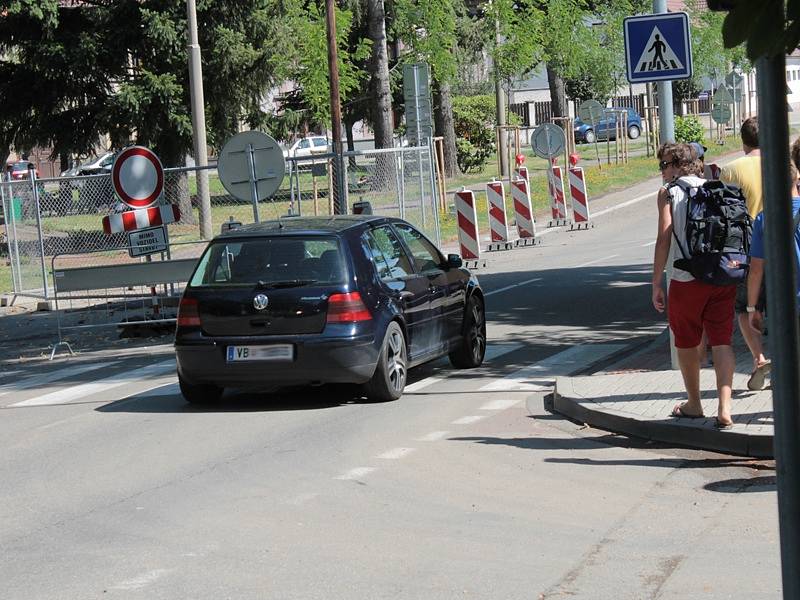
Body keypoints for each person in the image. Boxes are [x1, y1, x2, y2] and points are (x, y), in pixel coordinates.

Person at [652, 142, 736, 429]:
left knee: (686, 341)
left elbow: (664, 237)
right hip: (723, 276)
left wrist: (655, 282)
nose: (662, 172)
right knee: (722, 341)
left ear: (677, 166)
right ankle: (725, 407)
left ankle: (694, 403)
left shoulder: (669, 193)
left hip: (686, 279)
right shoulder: (715, 187)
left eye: (664, 165)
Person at [719, 116, 770, 390]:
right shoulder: (782, 165)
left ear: (743, 141)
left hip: (746, 249)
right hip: (781, 245)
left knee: (745, 308)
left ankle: (759, 357)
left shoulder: (730, 170)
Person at [747, 161, 800, 341]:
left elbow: (756, 270)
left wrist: (752, 308)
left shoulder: (764, 218)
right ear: (797, 177)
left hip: (783, 303)